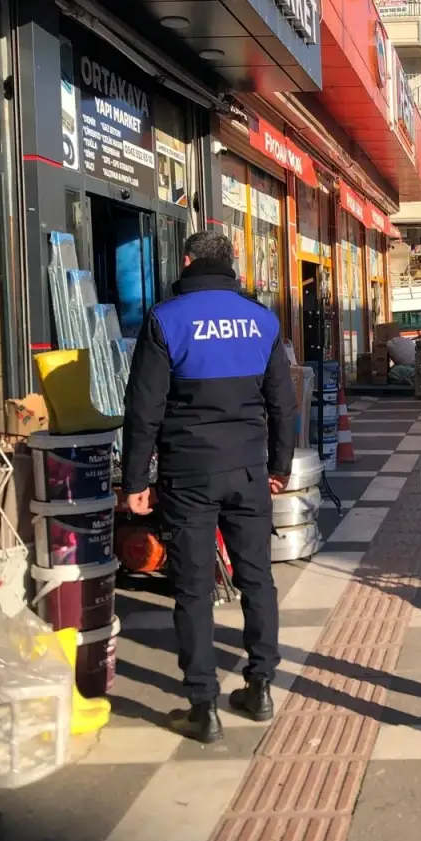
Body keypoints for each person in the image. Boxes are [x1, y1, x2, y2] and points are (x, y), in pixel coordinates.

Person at [122, 231, 296, 744]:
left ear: (186, 261)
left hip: (188, 474)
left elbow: (144, 408)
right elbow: (282, 403)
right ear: (232, 264)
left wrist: (135, 481)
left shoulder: (165, 319)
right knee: (257, 579)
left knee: (194, 589)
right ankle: (260, 686)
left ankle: (203, 707)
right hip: (248, 471)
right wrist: (280, 465)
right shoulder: (262, 320)